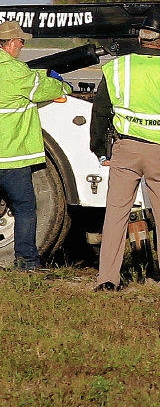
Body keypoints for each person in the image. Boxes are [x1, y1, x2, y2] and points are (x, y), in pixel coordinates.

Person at [90, 10, 160, 294]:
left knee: (116, 213)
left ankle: (107, 279)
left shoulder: (117, 69)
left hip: (125, 150)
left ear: (140, 38)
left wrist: (100, 150)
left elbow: (100, 112)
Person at [0, 21, 71, 271]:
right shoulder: (16, 71)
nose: (23, 44)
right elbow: (45, 89)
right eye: (20, 41)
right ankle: (27, 263)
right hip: (11, 158)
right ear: (9, 44)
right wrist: (61, 84)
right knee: (26, 208)